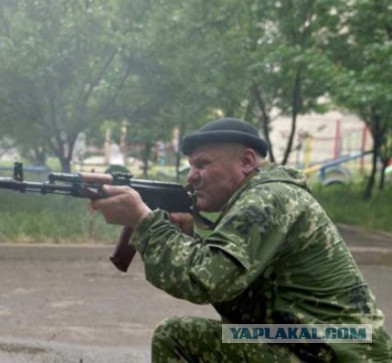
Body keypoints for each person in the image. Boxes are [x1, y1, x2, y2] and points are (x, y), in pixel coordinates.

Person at [91, 118, 392, 361]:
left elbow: (205, 281)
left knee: (176, 336)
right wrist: (183, 232)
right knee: (230, 335)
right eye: (191, 166)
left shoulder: (265, 200)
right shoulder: (267, 194)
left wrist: (144, 222)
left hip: (334, 349)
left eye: (203, 164)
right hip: (322, 340)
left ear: (247, 161)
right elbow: (229, 273)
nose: (192, 176)